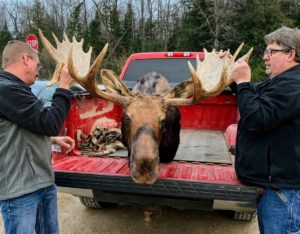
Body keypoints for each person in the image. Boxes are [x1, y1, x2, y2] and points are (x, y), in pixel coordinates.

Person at [0, 40, 75, 234]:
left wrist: (52, 140)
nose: (39, 70)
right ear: (26, 59)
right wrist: (64, 87)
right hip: (20, 192)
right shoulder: (5, 90)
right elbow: (50, 123)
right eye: (37, 64)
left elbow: (20, 128)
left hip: (41, 183)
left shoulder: (16, 89)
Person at [231, 26, 300, 233]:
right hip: (275, 187)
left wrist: (243, 81)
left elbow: (257, 119)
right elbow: (254, 95)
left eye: (271, 51)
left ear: (291, 54)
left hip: (283, 192)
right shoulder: (282, 82)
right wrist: (237, 81)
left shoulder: (294, 85)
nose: (264, 57)